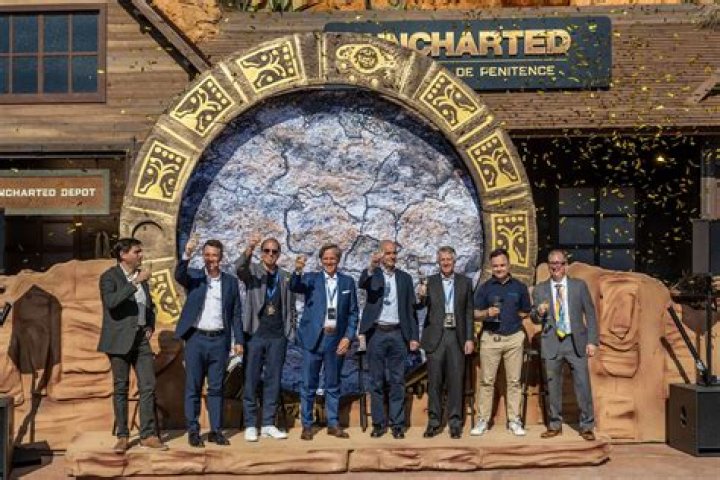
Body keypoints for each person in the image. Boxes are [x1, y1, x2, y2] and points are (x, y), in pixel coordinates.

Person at [98, 238, 167, 453]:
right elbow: (111, 302)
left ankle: (148, 434)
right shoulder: (110, 277)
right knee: (121, 387)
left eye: (140, 251)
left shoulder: (141, 277)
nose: (141, 255)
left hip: (140, 339)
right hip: (118, 340)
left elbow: (149, 305)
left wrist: (150, 325)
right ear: (123, 255)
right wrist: (135, 282)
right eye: (137, 252)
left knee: (148, 385)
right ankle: (123, 435)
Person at [175, 237, 244, 447]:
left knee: (216, 388)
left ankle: (216, 431)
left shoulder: (230, 282)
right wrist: (187, 253)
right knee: (193, 387)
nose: (210, 259)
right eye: (207, 255)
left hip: (219, 341)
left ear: (220, 257)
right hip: (196, 339)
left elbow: (236, 313)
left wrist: (238, 340)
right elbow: (179, 275)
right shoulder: (195, 276)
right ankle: (193, 431)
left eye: (214, 255)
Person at [290, 243, 358, 440]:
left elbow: (353, 313)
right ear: (321, 260)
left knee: (333, 384)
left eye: (332, 258)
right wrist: (297, 271)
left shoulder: (347, 282)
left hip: (335, 340)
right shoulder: (311, 279)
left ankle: (333, 424)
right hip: (313, 339)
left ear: (338, 260)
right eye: (325, 258)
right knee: (308, 384)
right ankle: (307, 425)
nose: (329, 262)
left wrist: (348, 337)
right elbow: (295, 286)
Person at [531, 249, 599, 441]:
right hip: (552, 342)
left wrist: (592, 341)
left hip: (575, 341)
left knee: (583, 385)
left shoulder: (579, 286)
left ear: (565, 265)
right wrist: (539, 313)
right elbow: (534, 317)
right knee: (553, 386)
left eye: (559, 263)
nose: (556, 267)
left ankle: (587, 426)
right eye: (552, 263)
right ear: (548, 266)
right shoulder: (540, 289)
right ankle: (554, 425)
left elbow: (590, 314)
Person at [235, 233, 295, 442]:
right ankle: (251, 424)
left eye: (274, 251)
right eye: (267, 251)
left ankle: (269, 423)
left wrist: (290, 331)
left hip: (278, 336)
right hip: (255, 334)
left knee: (273, 380)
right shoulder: (253, 271)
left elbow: (290, 306)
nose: (270, 254)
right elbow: (239, 268)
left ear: (279, 254)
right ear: (261, 253)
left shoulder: (285, 276)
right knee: (251, 380)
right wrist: (249, 248)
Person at [358, 240, 419, 439]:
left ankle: (397, 425)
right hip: (376, 332)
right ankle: (378, 424)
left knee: (397, 381)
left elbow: (410, 309)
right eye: (388, 253)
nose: (392, 256)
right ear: (380, 255)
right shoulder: (373, 274)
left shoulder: (405, 278)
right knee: (376, 381)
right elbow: (362, 283)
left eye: (394, 253)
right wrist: (372, 266)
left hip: (398, 333)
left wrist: (413, 337)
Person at [471, 248, 532, 437]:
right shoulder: (485, 288)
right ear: (491, 267)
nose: (499, 269)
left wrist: (514, 319)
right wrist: (486, 313)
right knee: (487, 381)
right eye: (496, 266)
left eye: (502, 265)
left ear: (509, 265)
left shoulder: (519, 287)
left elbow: (526, 310)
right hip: (491, 338)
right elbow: (474, 313)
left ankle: (514, 420)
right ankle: (483, 420)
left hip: (514, 338)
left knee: (514, 382)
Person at [417, 246, 474, 439]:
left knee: (456, 381)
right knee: (434, 383)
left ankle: (455, 423)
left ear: (454, 261)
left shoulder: (465, 282)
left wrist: (469, 338)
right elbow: (421, 305)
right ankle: (434, 422)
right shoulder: (430, 281)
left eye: (449, 259)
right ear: (438, 262)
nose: (446, 262)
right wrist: (422, 295)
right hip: (436, 338)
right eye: (443, 259)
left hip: (456, 337)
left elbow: (468, 312)